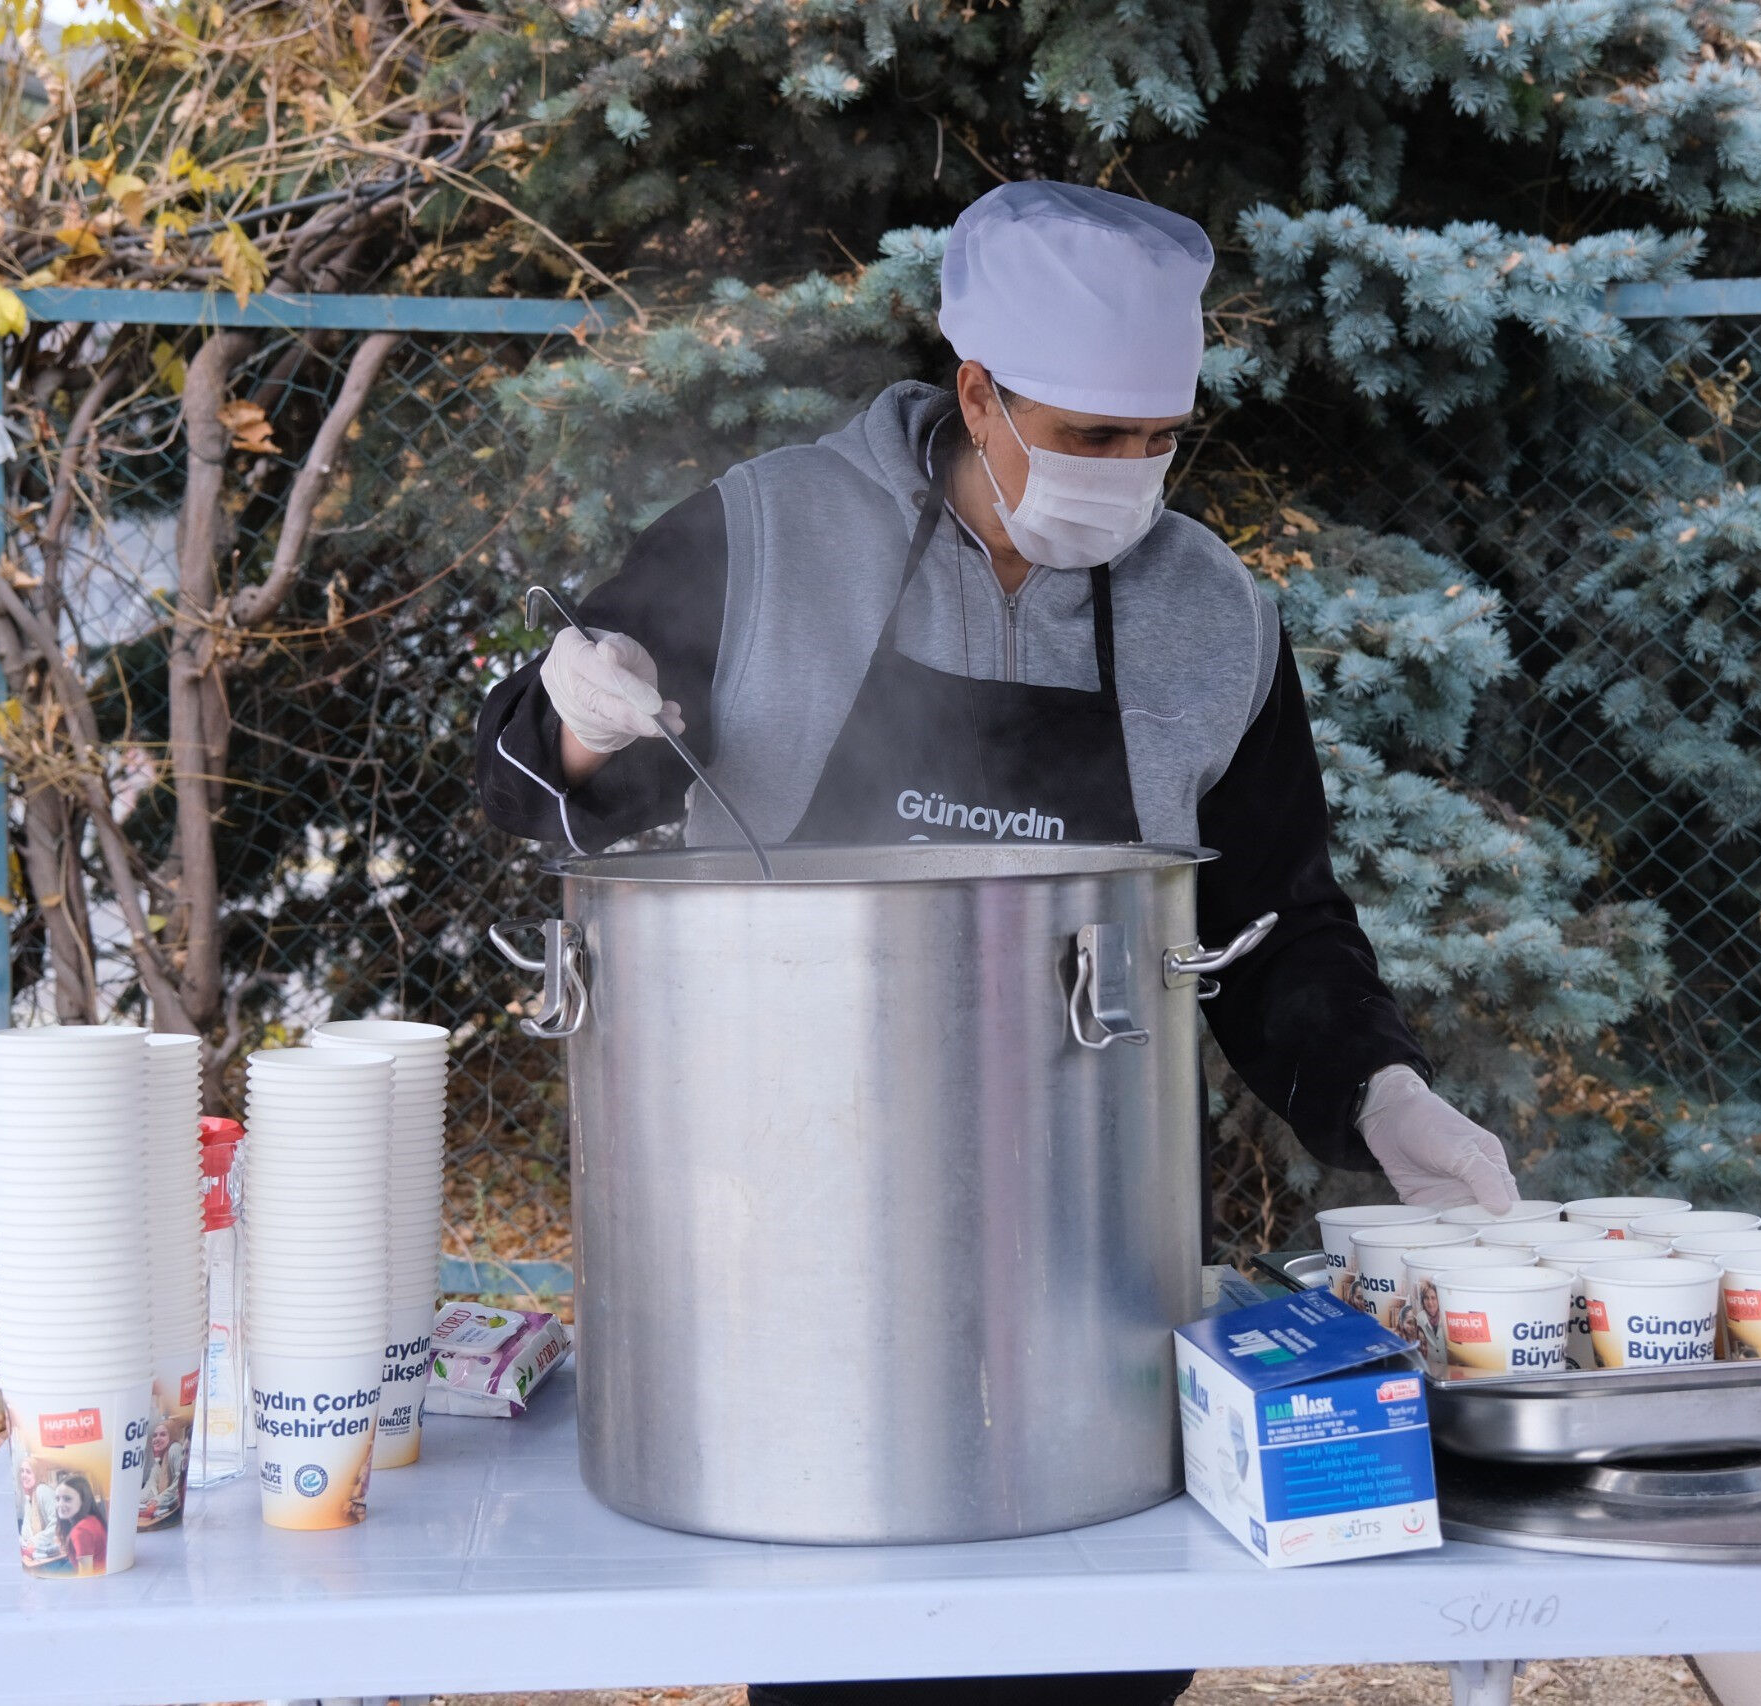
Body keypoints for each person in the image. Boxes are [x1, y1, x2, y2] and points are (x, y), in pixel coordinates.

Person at [477, 181, 1521, 1706]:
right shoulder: (764, 535)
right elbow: (532, 790)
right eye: (1091, 437)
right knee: (842, 1658)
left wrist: (1382, 1094)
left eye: (1160, 438)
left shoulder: (1213, 617)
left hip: (1089, 1279)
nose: (1131, 475)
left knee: (1096, 1655)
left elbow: (1273, 919)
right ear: (977, 388)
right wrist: (577, 721)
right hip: (801, 1290)